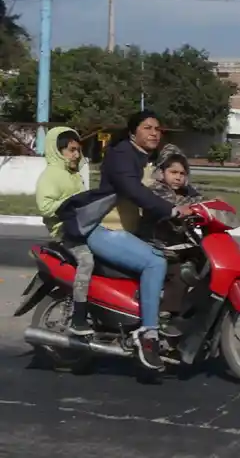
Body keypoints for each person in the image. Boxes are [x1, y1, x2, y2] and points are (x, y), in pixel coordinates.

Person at [57, 110, 192, 371]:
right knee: (155, 262)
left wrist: (200, 204)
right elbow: (134, 190)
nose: (154, 133)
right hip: (103, 229)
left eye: (157, 129)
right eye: (147, 128)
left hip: (128, 231)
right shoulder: (121, 155)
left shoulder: (145, 157)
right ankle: (148, 334)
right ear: (132, 132)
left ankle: (161, 316)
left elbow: (173, 184)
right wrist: (172, 210)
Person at [35, 127, 95, 336]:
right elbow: (45, 207)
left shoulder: (74, 174)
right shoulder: (51, 175)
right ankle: (78, 316)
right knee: (87, 261)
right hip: (64, 233)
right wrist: (72, 203)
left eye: (78, 150)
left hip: (81, 228)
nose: (76, 155)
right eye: (71, 150)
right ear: (57, 151)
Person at [141, 144, 204, 246]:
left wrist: (214, 203)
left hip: (179, 243)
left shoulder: (186, 190)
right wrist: (194, 206)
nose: (178, 177)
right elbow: (176, 205)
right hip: (156, 244)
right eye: (173, 172)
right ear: (161, 173)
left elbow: (202, 201)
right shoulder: (156, 190)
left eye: (182, 173)